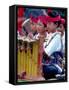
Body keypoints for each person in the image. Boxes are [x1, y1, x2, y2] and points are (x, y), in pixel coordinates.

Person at [42, 11, 64, 80]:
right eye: (47, 23)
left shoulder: (57, 36)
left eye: (49, 23)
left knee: (42, 68)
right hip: (47, 64)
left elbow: (46, 54)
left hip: (55, 66)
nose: (47, 25)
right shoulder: (48, 35)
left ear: (56, 24)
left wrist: (39, 45)